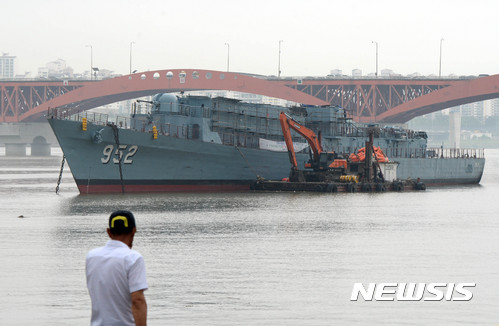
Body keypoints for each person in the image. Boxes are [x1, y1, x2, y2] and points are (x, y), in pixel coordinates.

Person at [86, 210, 148, 326]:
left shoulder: (91, 257)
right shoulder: (133, 258)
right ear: (133, 230)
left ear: (109, 232)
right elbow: (137, 301)